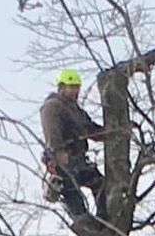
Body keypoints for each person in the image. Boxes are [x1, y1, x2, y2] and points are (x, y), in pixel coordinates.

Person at [38, 69, 106, 218]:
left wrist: (114, 132)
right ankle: (85, 224)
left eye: (77, 87)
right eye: (72, 87)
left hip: (79, 160)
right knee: (75, 201)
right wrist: (58, 154)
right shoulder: (53, 106)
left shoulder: (76, 111)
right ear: (61, 87)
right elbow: (52, 132)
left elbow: (91, 130)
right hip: (64, 161)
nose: (75, 91)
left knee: (99, 184)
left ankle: (103, 218)